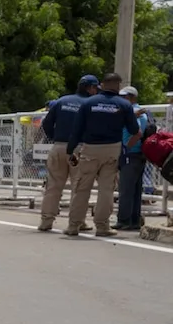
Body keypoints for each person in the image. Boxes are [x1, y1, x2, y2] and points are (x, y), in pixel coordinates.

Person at [66, 72, 140, 237]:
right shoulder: (124, 105)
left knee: (82, 188)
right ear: (118, 85)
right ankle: (102, 226)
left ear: (103, 85)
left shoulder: (88, 103)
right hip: (112, 149)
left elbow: (76, 130)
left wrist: (70, 150)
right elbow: (134, 130)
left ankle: (73, 226)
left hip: (90, 149)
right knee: (106, 190)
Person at [37, 75, 100, 232]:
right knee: (79, 188)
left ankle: (46, 221)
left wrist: (54, 137)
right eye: (95, 88)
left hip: (58, 147)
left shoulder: (61, 101)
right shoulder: (89, 104)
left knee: (53, 186)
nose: (96, 91)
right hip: (79, 149)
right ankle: (78, 221)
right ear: (89, 88)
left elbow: (46, 123)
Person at [115, 86, 150, 232]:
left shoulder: (137, 114)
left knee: (126, 189)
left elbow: (138, 134)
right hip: (137, 155)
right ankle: (133, 220)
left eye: (126, 97)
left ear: (133, 98)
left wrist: (126, 149)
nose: (123, 100)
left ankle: (124, 220)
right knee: (134, 190)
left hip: (131, 154)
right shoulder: (131, 112)